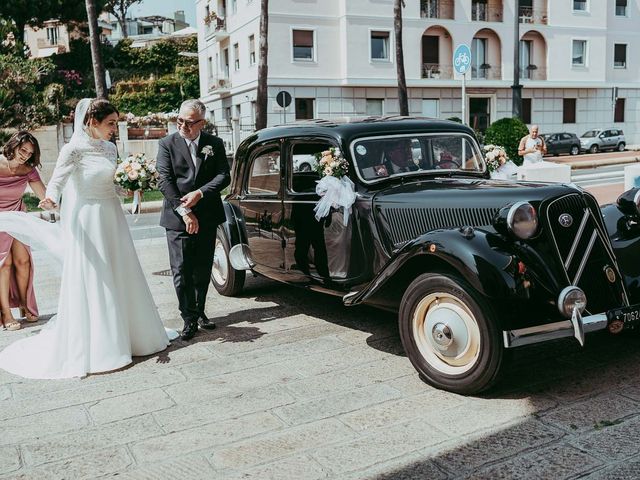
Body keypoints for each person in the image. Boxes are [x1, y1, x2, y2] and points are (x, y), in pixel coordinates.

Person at [0, 98, 172, 379]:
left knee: (121, 270)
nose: (114, 128)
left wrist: (126, 188)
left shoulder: (110, 148)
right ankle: (103, 343)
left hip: (111, 216)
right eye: (110, 123)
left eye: (116, 123)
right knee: (97, 276)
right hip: (87, 219)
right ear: (92, 122)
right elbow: (57, 181)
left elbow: (112, 182)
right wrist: (50, 198)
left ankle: (132, 335)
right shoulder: (73, 149)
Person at [156, 99, 230, 341]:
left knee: (202, 267)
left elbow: (223, 176)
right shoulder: (167, 143)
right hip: (177, 218)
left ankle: (199, 312)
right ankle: (188, 318)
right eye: (179, 121)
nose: (183, 127)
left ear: (202, 123)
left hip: (207, 214)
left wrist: (200, 193)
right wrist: (184, 211)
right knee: (181, 270)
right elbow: (164, 180)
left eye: (189, 123)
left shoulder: (214, 144)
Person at [0, 132, 47, 330]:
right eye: (23, 150)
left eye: (30, 153)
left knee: (23, 260)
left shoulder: (28, 169)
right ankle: (6, 313)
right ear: (13, 145)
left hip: (17, 215)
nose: (26, 155)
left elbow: (44, 196)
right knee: (5, 263)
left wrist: (53, 202)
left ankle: (24, 304)